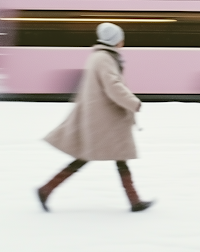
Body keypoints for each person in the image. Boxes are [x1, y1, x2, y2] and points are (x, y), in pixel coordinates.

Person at [37, 22, 153, 212]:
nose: (123, 41)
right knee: (102, 156)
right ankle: (46, 189)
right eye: (121, 38)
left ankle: (46, 189)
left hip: (102, 116)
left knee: (104, 157)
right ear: (115, 40)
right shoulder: (104, 58)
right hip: (106, 118)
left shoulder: (100, 56)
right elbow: (113, 86)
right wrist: (133, 102)